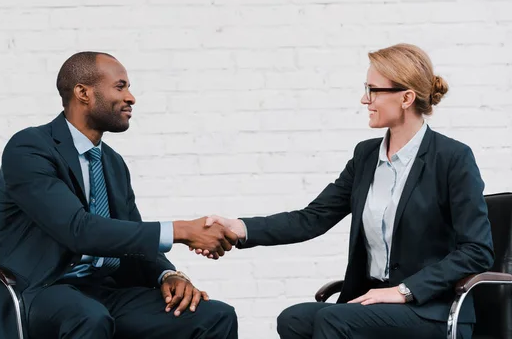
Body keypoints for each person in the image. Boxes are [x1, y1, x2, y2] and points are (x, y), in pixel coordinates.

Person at [201, 44, 494, 339]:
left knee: (334, 321)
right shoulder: (366, 157)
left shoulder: (452, 158)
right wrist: (239, 228)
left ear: (406, 98)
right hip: (372, 301)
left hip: (431, 309)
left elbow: (477, 250)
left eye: (373, 90)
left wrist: (405, 291)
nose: (364, 99)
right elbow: (312, 218)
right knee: (294, 319)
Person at [0, 51, 239, 339]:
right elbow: (78, 230)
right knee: (89, 318)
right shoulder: (30, 148)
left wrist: (168, 275)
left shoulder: (113, 163)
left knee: (214, 316)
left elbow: (131, 235)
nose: (131, 98)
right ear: (83, 92)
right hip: (39, 292)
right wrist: (180, 230)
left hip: (102, 292)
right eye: (120, 86)